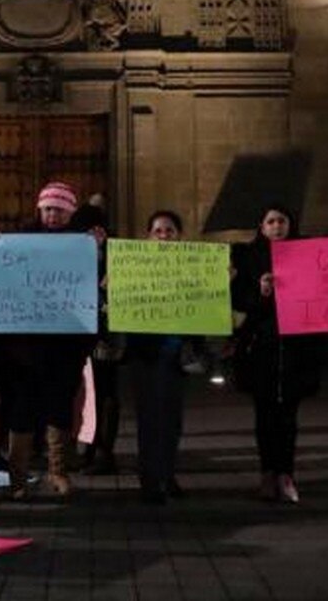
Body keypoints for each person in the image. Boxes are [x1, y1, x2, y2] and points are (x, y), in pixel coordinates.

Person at [0, 181, 93, 499]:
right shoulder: (20, 239)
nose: (53, 215)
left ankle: (58, 470)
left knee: (58, 408)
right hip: (25, 347)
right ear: (39, 210)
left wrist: (100, 250)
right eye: (48, 208)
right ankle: (18, 477)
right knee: (22, 410)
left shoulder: (83, 244)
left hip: (64, 345)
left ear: (70, 213)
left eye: (60, 210)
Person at [230, 204, 322, 504]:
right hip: (261, 349)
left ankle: (286, 473)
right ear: (261, 227)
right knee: (264, 415)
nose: (277, 226)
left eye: (283, 220)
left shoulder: (307, 254)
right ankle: (268, 473)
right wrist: (261, 293)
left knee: (288, 417)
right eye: (271, 221)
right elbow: (241, 305)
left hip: (296, 350)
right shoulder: (246, 258)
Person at [126, 210, 190, 504]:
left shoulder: (193, 266)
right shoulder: (134, 266)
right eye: (158, 231)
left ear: (179, 236)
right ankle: (150, 479)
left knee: (173, 420)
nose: (164, 236)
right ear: (148, 236)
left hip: (177, 355)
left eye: (169, 231)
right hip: (146, 354)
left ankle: (168, 473)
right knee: (150, 419)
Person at [70, 202, 124, 476]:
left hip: (106, 337)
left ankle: (104, 451)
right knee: (83, 394)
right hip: (77, 334)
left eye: (98, 228)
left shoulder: (115, 254)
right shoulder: (72, 252)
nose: (94, 234)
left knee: (105, 394)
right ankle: (84, 449)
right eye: (87, 230)